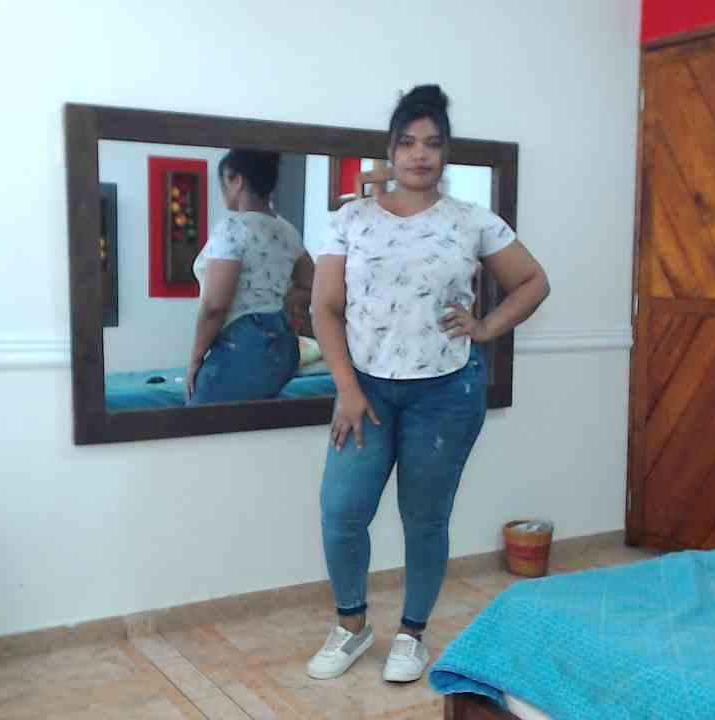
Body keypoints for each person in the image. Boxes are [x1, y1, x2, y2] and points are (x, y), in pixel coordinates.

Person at [306, 85, 551, 683]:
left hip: (445, 393)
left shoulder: (471, 220)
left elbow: (533, 281)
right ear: (391, 150)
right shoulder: (351, 219)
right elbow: (324, 310)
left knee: (425, 518)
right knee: (341, 512)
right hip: (366, 391)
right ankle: (352, 626)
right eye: (408, 142)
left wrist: (485, 327)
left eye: (433, 144)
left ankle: (411, 635)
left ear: (445, 153)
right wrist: (348, 390)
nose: (420, 154)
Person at [187, 150, 314, 405]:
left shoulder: (232, 229)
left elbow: (215, 305)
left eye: (224, 180)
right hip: (284, 345)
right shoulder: (287, 230)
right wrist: (285, 302)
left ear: (237, 180)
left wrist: (196, 357)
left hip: (244, 344)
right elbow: (312, 283)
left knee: (198, 422)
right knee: (251, 424)